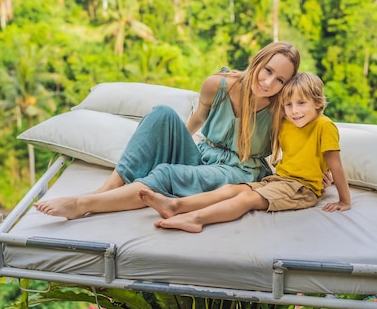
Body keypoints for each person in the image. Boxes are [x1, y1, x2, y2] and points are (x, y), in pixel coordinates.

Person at [34, 41, 301, 219]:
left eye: (280, 80)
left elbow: (301, 143)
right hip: (204, 157)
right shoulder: (217, 85)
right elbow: (198, 118)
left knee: (166, 173)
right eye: (267, 71)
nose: (268, 82)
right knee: (162, 112)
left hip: (236, 171)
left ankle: (83, 205)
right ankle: (105, 189)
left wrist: (318, 170)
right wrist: (173, 144)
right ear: (258, 62)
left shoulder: (280, 109)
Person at [139, 72, 351, 233]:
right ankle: (175, 205)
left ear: (318, 102)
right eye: (288, 105)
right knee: (232, 189)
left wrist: (344, 200)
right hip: (279, 180)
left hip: (302, 189)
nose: (294, 111)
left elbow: (335, 164)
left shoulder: (325, 126)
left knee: (247, 198)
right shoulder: (287, 123)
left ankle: (196, 219)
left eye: (301, 103)